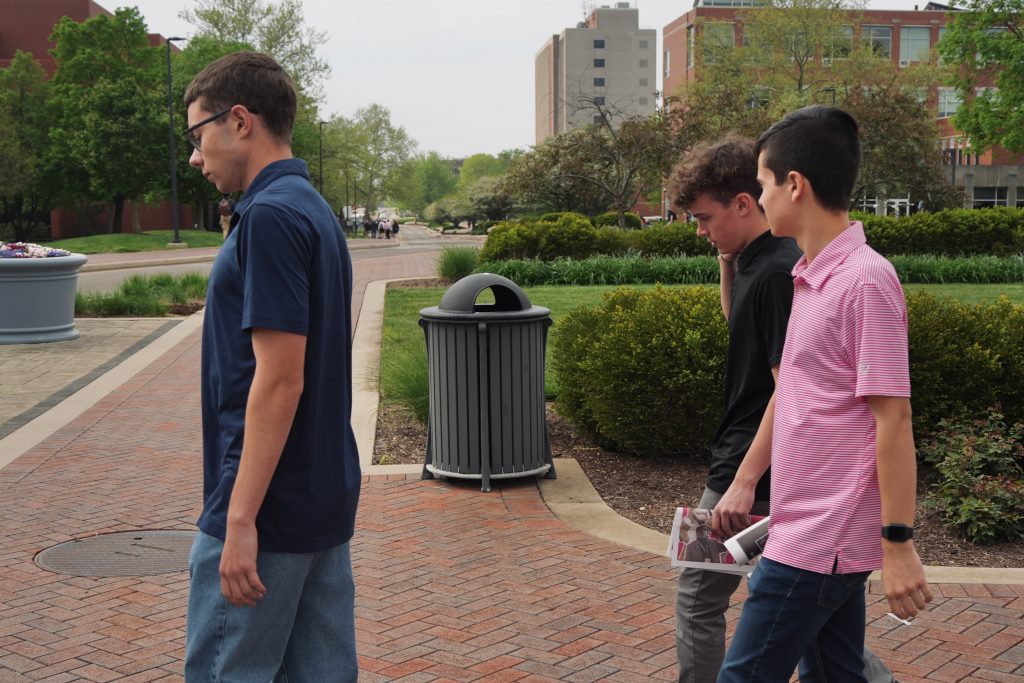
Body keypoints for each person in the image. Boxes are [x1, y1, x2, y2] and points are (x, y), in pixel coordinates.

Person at [716, 105, 932, 682]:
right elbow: (791, 391)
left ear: (795, 185)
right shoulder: (810, 276)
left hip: (820, 538)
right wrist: (746, 479)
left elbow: (894, 420)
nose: (759, 198)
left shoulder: (865, 280)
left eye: (763, 183)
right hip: (803, 526)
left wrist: (898, 543)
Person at [667, 136, 895, 683]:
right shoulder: (764, 266)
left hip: (760, 470)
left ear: (746, 203)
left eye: (704, 218)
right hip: (764, 472)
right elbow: (744, 329)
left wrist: (744, 480)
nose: (700, 231)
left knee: (705, 598)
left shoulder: (784, 274)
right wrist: (726, 263)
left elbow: (789, 386)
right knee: (814, 623)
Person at [181, 51, 360, 682]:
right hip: (318, 496)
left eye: (197, 136)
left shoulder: (272, 216)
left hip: (267, 509)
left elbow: (281, 379)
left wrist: (239, 519)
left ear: (239, 121)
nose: (195, 158)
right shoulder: (311, 208)